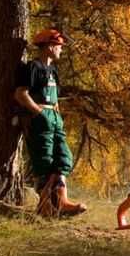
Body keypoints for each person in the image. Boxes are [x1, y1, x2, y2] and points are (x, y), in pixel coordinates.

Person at [14, 28, 86, 216]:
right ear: (49, 46)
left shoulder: (53, 70)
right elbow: (20, 94)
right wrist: (39, 113)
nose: (61, 49)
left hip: (54, 117)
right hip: (38, 119)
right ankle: (45, 205)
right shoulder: (33, 67)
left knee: (63, 158)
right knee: (44, 161)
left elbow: (54, 98)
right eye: (59, 46)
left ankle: (62, 201)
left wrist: (57, 116)